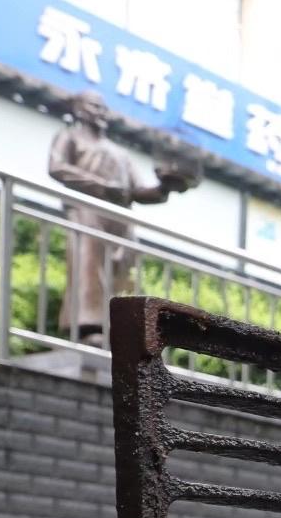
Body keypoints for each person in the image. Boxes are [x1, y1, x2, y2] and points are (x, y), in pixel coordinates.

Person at [44, 93, 197, 346]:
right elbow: (57, 167)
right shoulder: (69, 136)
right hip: (86, 212)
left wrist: (165, 187)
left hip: (120, 219)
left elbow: (137, 191)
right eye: (94, 106)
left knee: (122, 272)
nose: (100, 112)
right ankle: (88, 327)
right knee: (88, 267)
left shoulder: (120, 153)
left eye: (103, 107)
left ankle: (118, 331)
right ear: (79, 110)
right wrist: (103, 186)